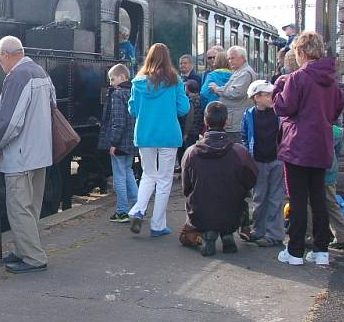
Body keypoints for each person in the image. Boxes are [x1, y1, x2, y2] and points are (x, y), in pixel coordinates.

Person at [273, 32, 344, 266]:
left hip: (297, 146)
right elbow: (336, 110)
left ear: (301, 53)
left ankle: (294, 251)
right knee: (318, 197)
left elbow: (283, 107)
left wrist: (277, 89)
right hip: (321, 145)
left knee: (297, 199)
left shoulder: (297, 78)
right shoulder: (332, 80)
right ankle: (321, 249)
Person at [0, 36, 55, 273]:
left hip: (20, 154)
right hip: (40, 153)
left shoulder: (17, 77)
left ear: (6, 55)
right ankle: (21, 249)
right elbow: (53, 107)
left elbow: (10, 121)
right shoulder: (41, 72)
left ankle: (34, 258)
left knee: (18, 207)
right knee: (31, 207)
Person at [127, 43, 190, 237]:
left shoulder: (137, 82)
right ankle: (157, 225)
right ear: (167, 58)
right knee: (164, 180)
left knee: (148, 175)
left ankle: (138, 209)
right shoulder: (174, 80)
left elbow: (132, 110)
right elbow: (183, 109)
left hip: (145, 134)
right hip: (168, 134)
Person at [180, 102, 258, 256]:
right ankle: (227, 234)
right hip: (232, 212)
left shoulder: (191, 152)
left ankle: (209, 234)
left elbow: (186, 187)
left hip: (200, 213)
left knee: (196, 198)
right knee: (238, 199)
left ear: (205, 121)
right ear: (227, 121)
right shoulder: (239, 151)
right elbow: (251, 180)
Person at [241, 80, 283, 247]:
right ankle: (258, 231)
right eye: (268, 95)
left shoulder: (279, 113)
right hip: (258, 160)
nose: (272, 97)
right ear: (256, 97)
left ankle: (274, 235)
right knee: (259, 197)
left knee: (276, 198)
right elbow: (245, 135)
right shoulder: (248, 115)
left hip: (277, 159)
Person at [98, 64, 137, 223]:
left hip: (119, 142)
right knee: (128, 174)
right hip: (130, 140)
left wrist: (113, 142)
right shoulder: (133, 92)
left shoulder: (117, 95)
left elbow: (118, 121)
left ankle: (122, 211)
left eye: (112, 79)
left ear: (122, 77)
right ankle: (137, 207)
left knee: (119, 177)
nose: (111, 83)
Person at [207, 46, 256, 144]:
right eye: (228, 58)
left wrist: (217, 89)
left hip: (236, 120)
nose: (229, 61)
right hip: (233, 118)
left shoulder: (245, 73)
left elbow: (236, 92)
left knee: (235, 148)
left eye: (232, 58)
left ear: (242, 58)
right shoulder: (239, 71)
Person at [325, 124, 344, 250]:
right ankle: (343, 236)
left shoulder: (312, 126)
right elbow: (338, 150)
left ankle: (310, 236)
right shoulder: (336, 131)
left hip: (317, 170)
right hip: (330, 170)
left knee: (309, 203)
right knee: (332, 204)